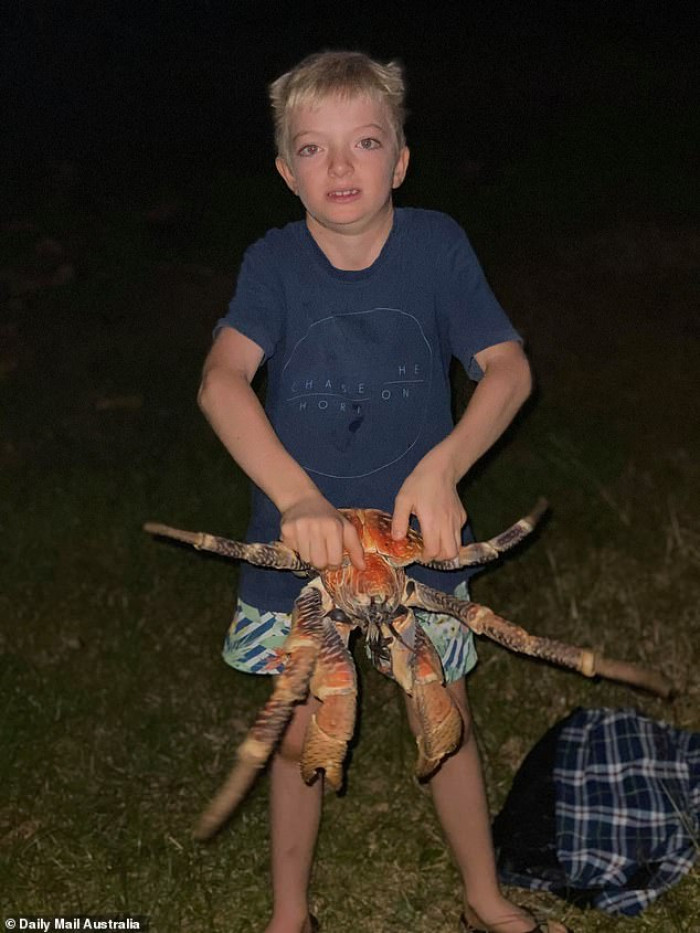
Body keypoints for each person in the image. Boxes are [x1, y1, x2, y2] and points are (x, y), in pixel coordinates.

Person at [198, 50, 570, 933]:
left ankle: (483, 897)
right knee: (297, 731)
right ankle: (291, 913)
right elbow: (221, 381)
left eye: (364, 142)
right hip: (301, 557)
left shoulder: (438, 246)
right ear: (286, 170)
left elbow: (508, 370)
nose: (340, 166)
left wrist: (444, 465)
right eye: (314, 148)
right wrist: (295, 497)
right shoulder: (274, 263)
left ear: (399, 159)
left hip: (418, 548)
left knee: (444, 716)